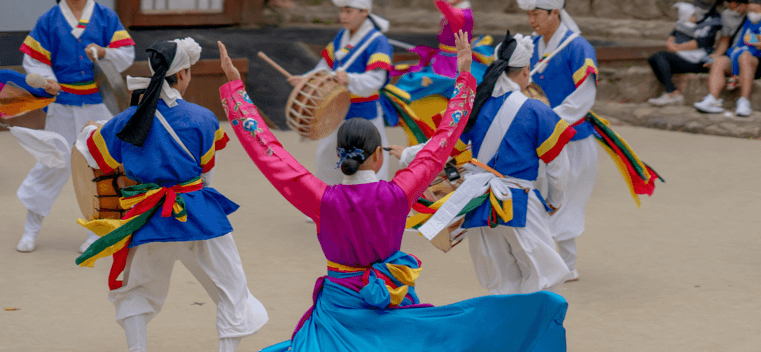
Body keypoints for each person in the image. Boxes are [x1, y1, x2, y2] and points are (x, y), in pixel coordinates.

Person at [218, 36, 569, 352]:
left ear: (339, 158)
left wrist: (237, 93)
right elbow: (446, 135)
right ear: (376, 155)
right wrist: (464, 78)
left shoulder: (322, 199)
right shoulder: (398, 193)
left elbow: (268, 152)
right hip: (391, 302)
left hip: (339, 310)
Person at [75, 38, 268, 352]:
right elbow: (206, 173)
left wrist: (94, 127)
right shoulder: (203, 118)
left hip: (149, 218)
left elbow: (92, 150)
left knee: (137, 288)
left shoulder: (126, 121)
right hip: (199, 215)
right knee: (232, 290)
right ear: (182, 75)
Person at [418, 33, 574, 294]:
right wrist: (554, 200)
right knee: (545, 277)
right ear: (526, 70)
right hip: (519, 202)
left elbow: (444, 143)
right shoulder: (537, 111)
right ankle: (529, 332)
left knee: (499, 284)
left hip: (480, 202)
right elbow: (559, 167)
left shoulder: (477, 106)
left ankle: (504, 332)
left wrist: (406, 155)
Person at [15, 0, 136, 254]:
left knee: (100, 165)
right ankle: (32, 227)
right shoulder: (49, 20)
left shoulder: (106, 16)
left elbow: (127, 53)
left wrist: (105, 52)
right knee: (51, 161)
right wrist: (47, 78)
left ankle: (98, 230)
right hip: (63, 103)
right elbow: (34, 60)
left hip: (98, 103)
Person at [517, 0, 598, 280]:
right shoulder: (532, 46)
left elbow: (584, 97)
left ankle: (566, 265)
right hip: (542, 137)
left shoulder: (578, 47)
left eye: (536, 14)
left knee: (564, 202)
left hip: (572, 139)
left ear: (555, 13)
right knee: (540, 198)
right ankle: (553, 263)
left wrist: (549, 118)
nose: (531, 20)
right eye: (528, 14)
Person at [289, 0, 392, 186]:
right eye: (342, 11)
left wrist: (351, 79)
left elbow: (376, 80)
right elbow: (324, 67)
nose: (343, 16)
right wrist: (306, 79)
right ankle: (326, 202)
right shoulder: (341, 37)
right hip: (335, 108)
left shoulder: (378, 42)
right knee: (327, 155)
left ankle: (376, 204)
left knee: (371, 157)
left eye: (348, 11)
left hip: (364, 110)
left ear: (365, 12)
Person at [694, 0, 761, 116]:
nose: (751, 13)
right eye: (750, 10)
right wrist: (716, 55)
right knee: (719, 61)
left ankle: (744, 101)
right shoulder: (737, 18)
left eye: (755, 11)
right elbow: (726, 39)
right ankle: (713, 99)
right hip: (737, 54)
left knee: (744, 56)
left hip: (757, 58)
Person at [647, 0, 721, 106]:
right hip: (683, 54)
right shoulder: (691, 9)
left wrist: (677, 47)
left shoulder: (715, 19)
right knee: (654, 59)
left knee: (661, 57)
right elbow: (678, 28)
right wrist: (670, 42)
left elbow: (701, 42)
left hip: (698, 60)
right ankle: (673, 93)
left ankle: (671, 93)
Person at [422, 0, 474, 77]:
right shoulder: (458, 8)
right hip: (443, 57)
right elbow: (444, 3)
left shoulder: (463, 15)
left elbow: (444, 6)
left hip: (453, 64)